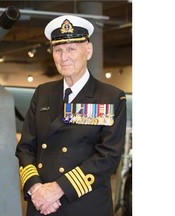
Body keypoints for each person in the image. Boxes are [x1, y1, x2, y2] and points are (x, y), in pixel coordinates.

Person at [15, 15, 127, 216]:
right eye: (58, 50)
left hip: (84, 205)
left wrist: (57, 190)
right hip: (41, 206)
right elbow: (25, 148)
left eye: (71, 49)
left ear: (89, 51)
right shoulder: (42, 93)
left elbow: (107, 157)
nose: (63, 57)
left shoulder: (111, 97)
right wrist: (36, 189)